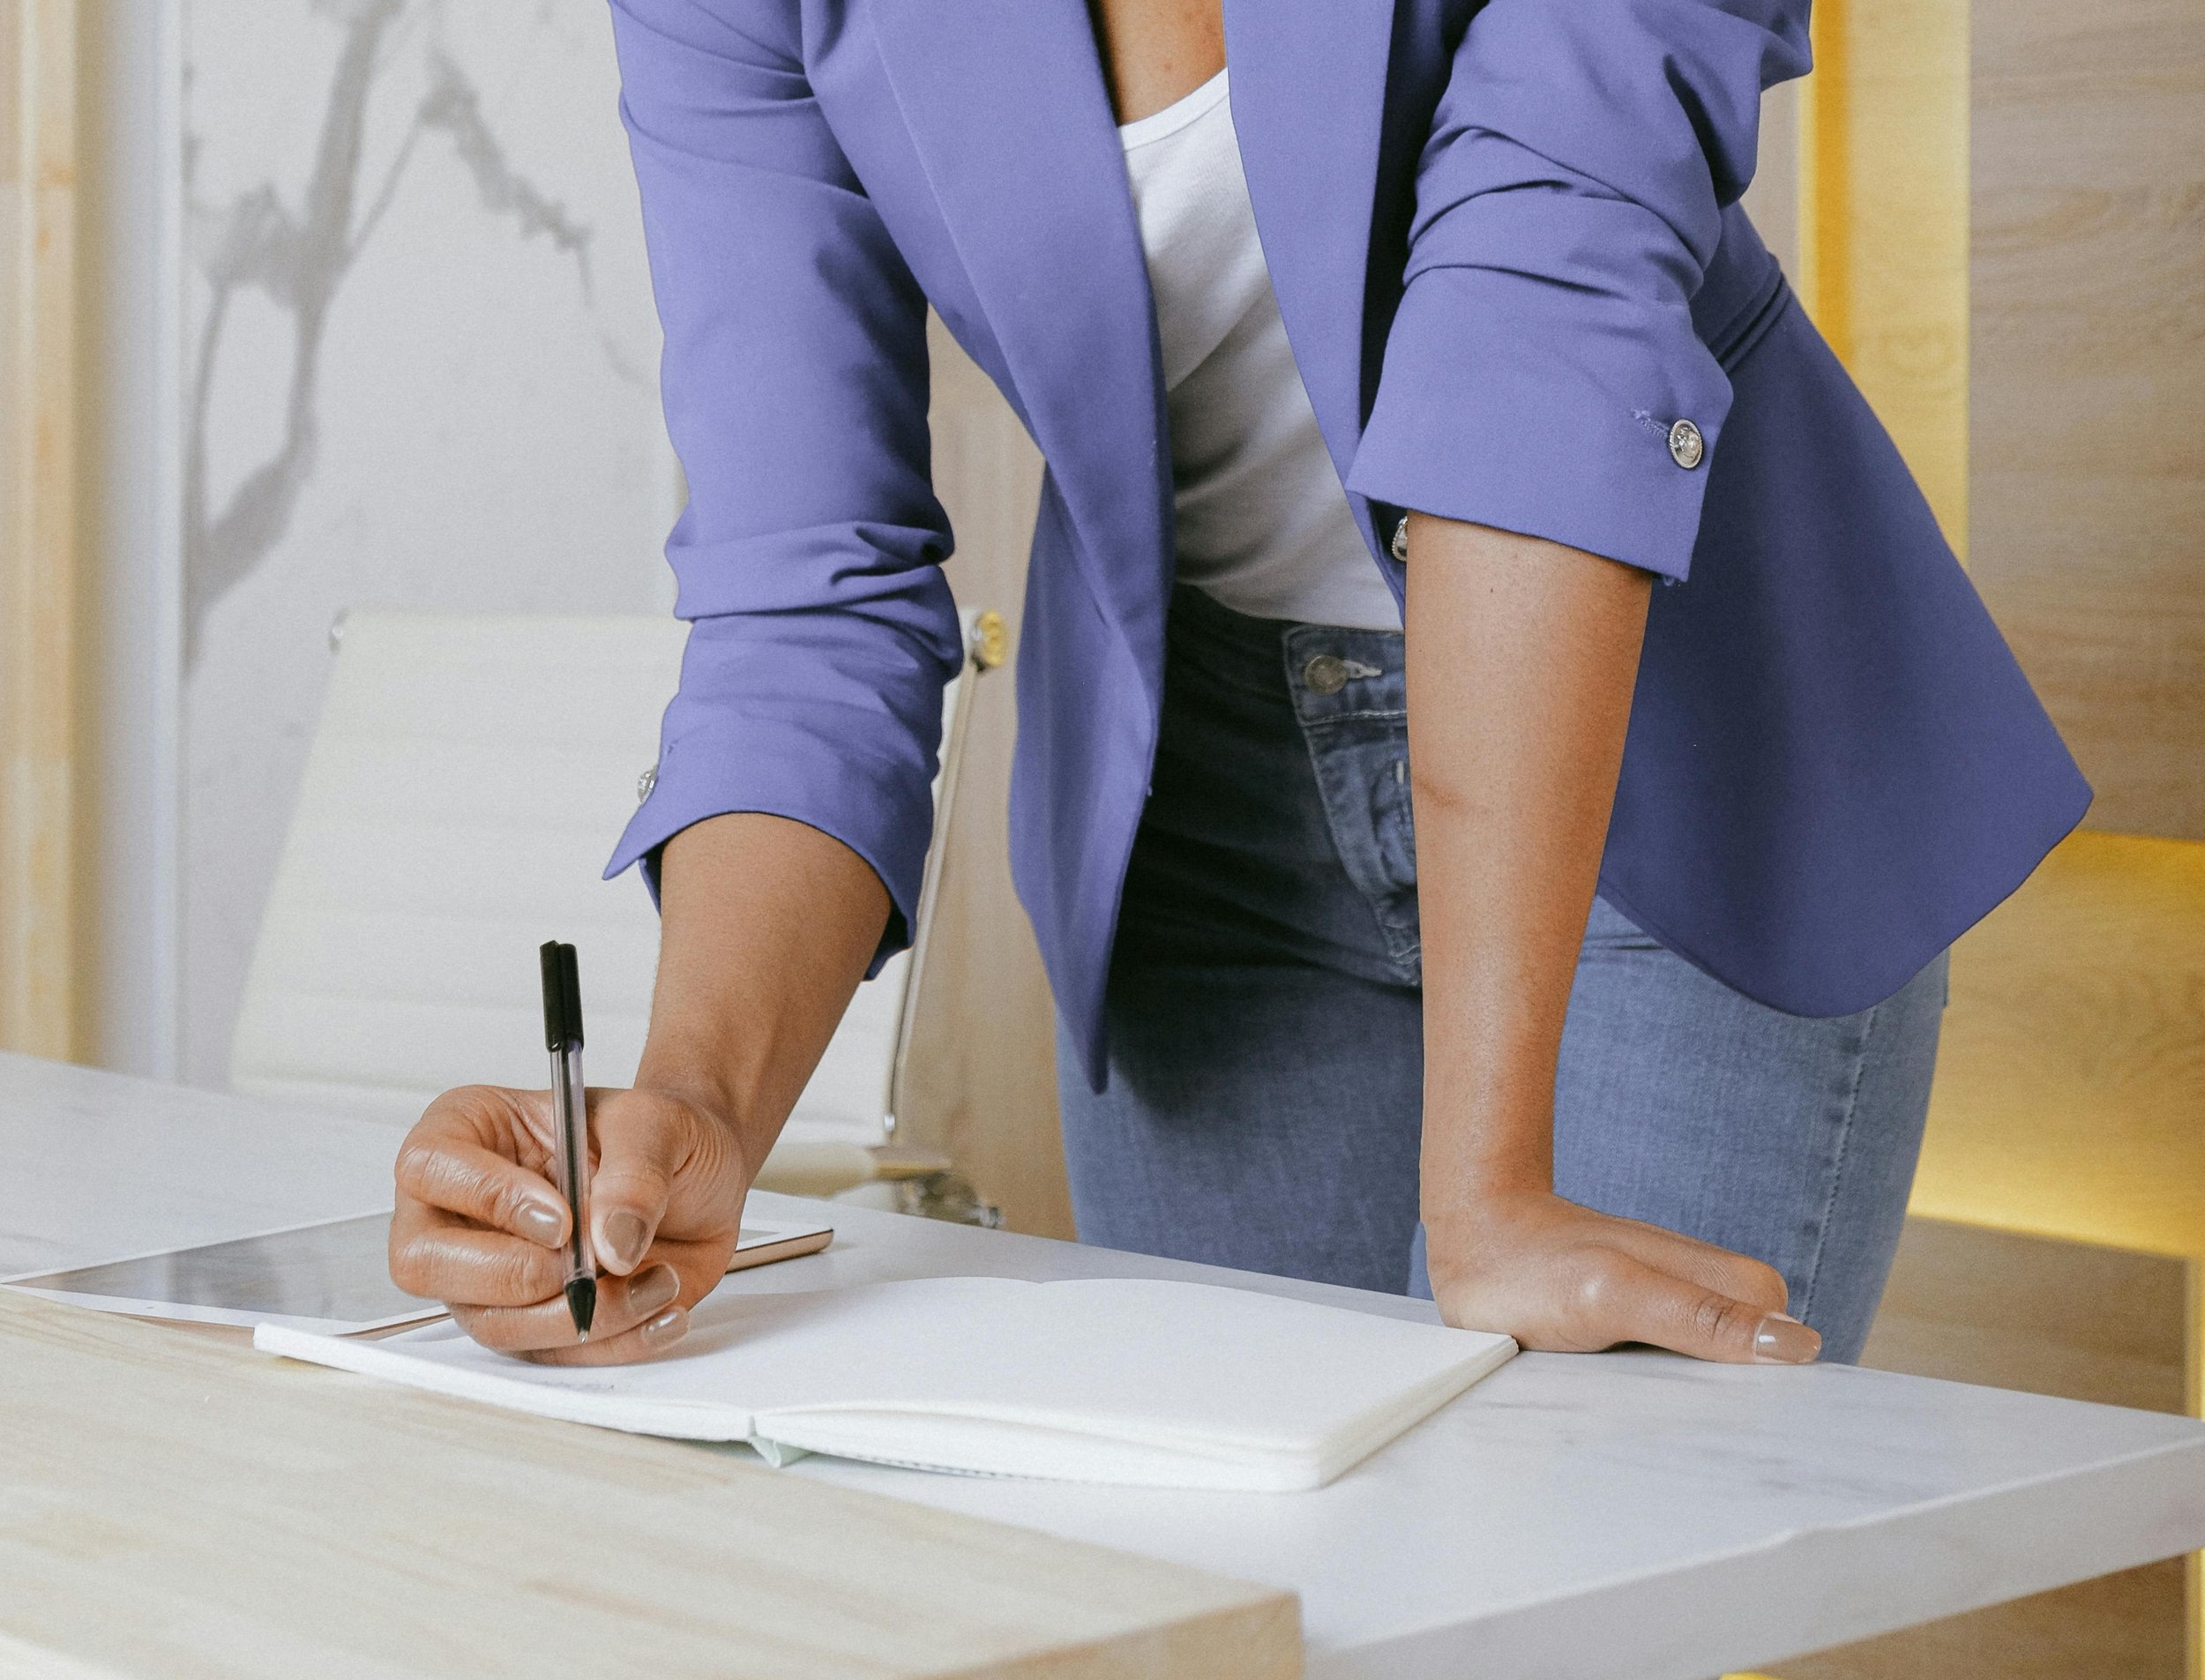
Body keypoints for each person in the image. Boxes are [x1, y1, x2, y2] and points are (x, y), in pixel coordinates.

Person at [388, 0, 2087, 1370]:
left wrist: (1491, 1184)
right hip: (1194, 805)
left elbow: (1539, 346)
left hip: (1663, 743)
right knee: (1265, 1610)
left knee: (1526, 1609)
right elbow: (803, 582)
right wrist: (693, 1110)